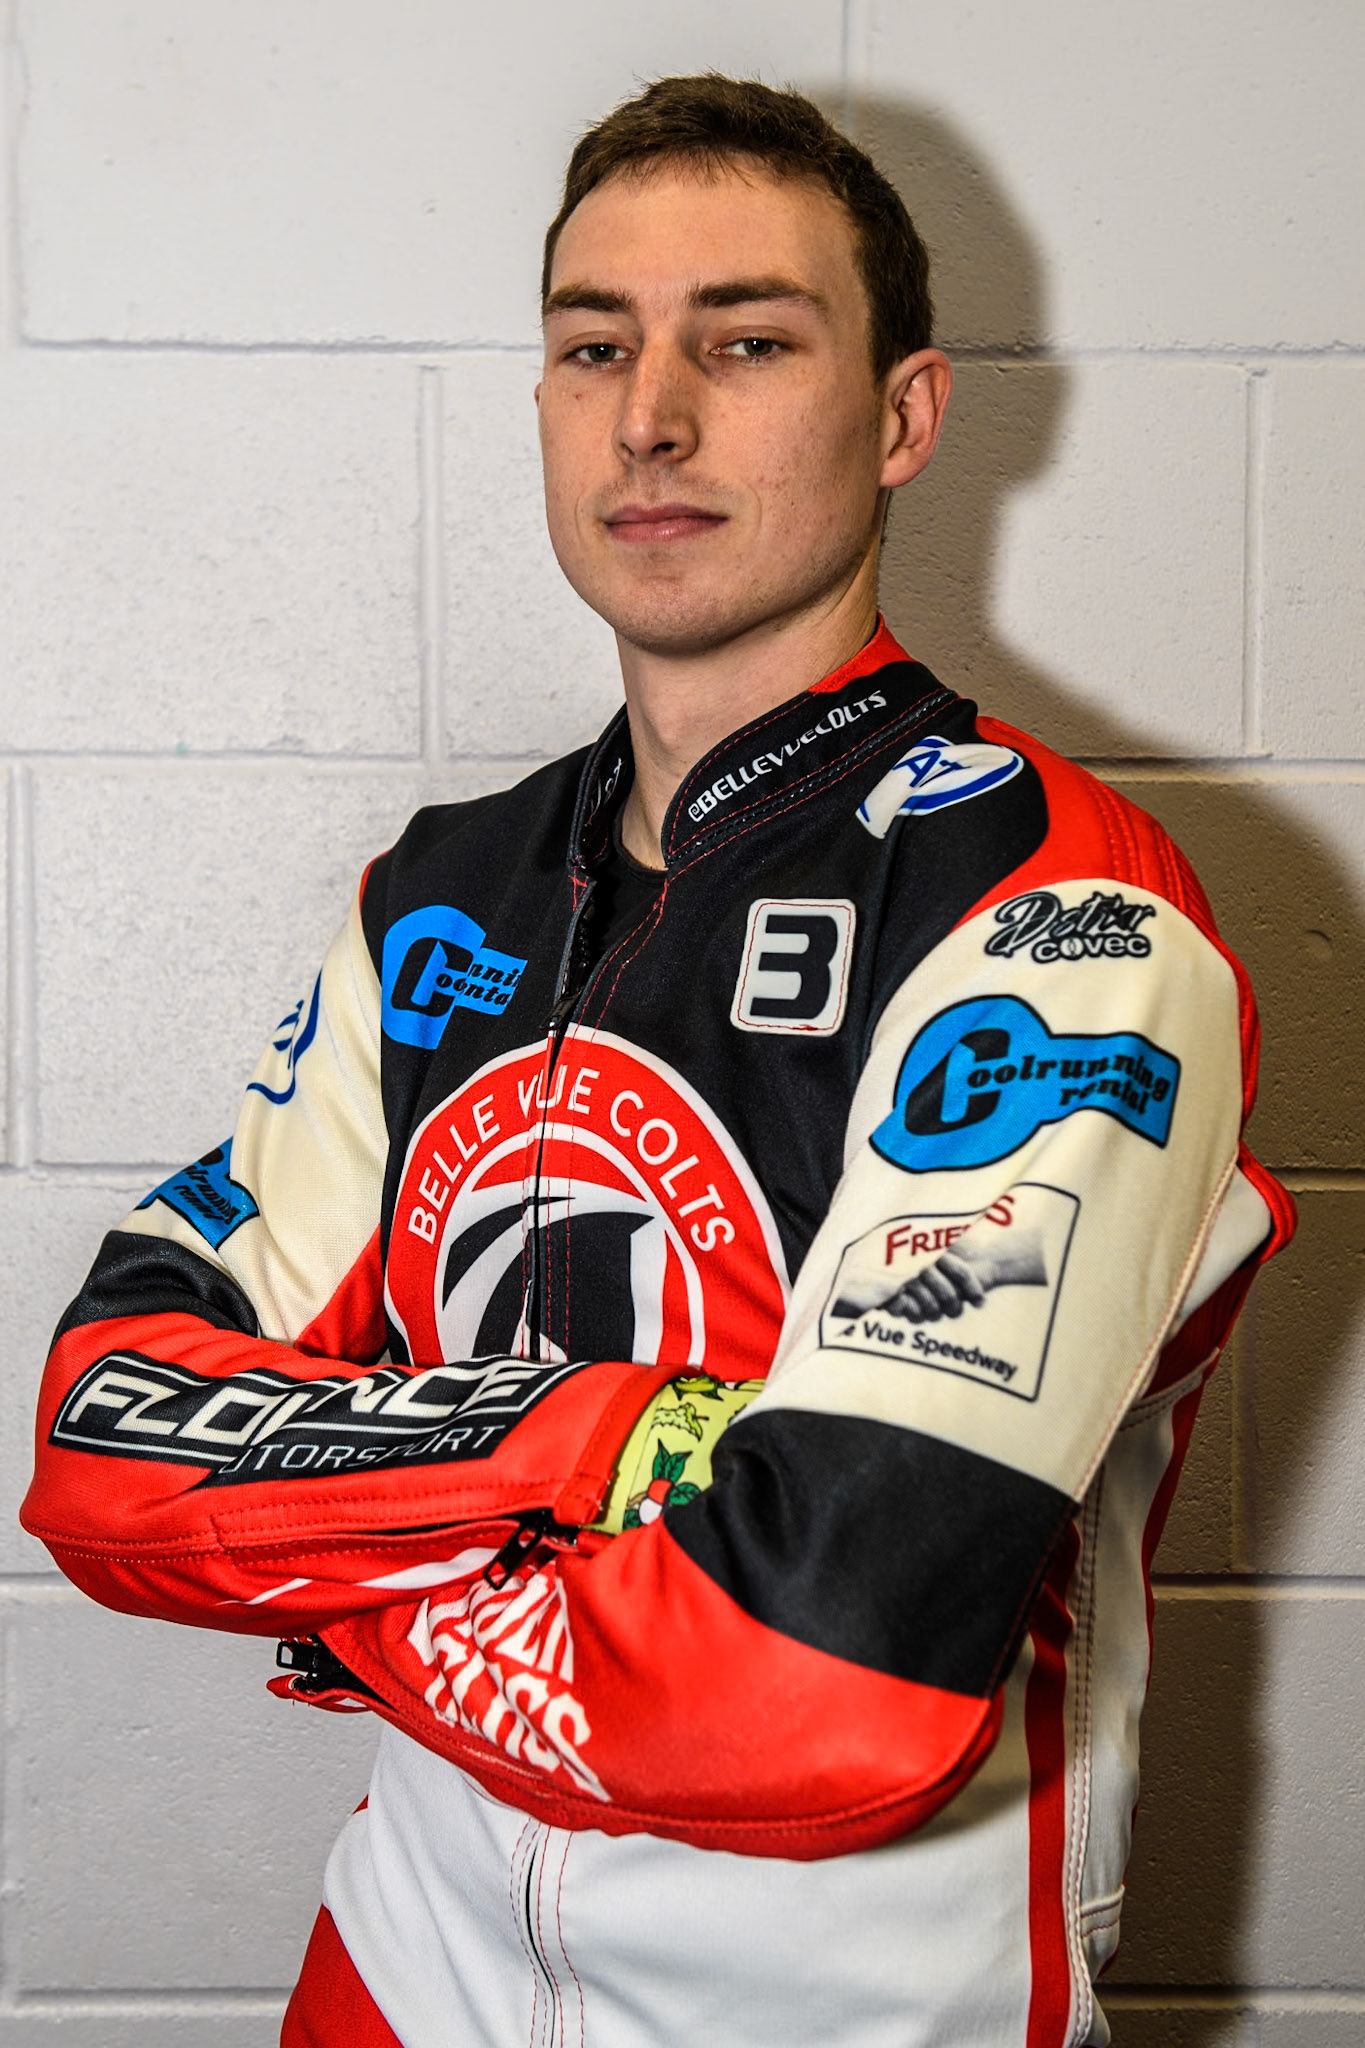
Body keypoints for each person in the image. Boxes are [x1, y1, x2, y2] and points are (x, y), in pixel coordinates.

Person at [22, 74, 1294, 2048]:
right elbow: (101, 1435)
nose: (651, 413)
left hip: (850, 1994)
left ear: (901, 418)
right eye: (590, 344)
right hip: (411, 1946)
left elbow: (816, 1668)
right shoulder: (433, 894)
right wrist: (589, 1448)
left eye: (746, 338)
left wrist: (312, 1565)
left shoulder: (1064, 916)